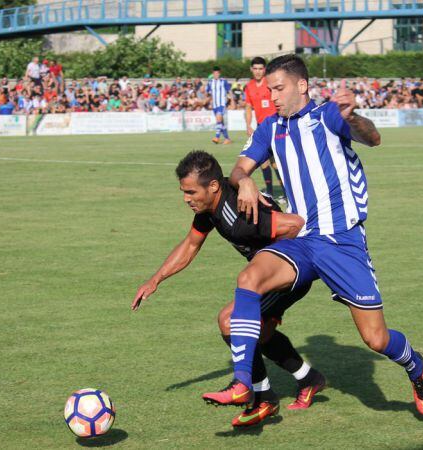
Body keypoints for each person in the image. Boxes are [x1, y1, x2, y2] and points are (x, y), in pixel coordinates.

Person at [201, 55, 423, 418]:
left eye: (279, 88)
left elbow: (372, 138)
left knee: (376, 339)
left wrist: (351, 116)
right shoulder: (269, 128)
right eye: (269, 89)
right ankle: (243, 383)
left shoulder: (327, 116)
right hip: (303, 239)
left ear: (302, 85)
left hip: (342, 241)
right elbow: (238, 168)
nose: (273, 96)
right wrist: (243, 180)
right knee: (249, 278)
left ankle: (415, 365)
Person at [132, 150, 326, 427]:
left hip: (284, 274)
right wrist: (155, 279)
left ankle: (263, 398)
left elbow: (295, 224)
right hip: (268, 277)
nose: (186, 199)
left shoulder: (240, 214)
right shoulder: (211, 206)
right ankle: (308, 379)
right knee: (262, 333)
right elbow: (190, 245)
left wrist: (276, 262)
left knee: (230, 321)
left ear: (212, 187)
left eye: (190, 192)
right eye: (183, 192)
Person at [244, 57, 282, 199]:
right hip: (261, 128)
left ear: (264, 69)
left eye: (261, 69)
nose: (258, 71)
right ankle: (270, 193)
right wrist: (248, 125)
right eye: (255, 68)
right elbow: (248, 107)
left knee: (276, 162)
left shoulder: (270, 83)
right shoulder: (249, 87)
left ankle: (286, 193)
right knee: (263, 161)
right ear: (251, 69)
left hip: (275, 125)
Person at [206, 67, 231, 145]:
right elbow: (208, 93)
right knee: (221, 123)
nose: (216, 75)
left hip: (221, 104)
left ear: (219, 74)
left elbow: (229, 91)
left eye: (217, 73)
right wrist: (208, 101)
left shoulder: (223, 81)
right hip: (214, 105)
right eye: (214, 73)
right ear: (213, 74)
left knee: (219, 119)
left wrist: (231, 101)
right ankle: (227, 139)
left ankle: (217, 137)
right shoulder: (210, 82)